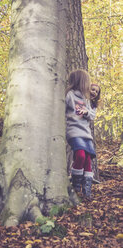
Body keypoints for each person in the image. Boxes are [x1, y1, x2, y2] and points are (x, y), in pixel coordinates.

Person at [65, 69, 96, 199]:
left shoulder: (86, 99)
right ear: (81, 82)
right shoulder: (70, 95)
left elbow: (92, 116)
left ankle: (86, 190)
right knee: (81, 155)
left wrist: (86, 112)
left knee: (88, 160)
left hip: (86, 134)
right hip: (74, 131)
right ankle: (76, 185)